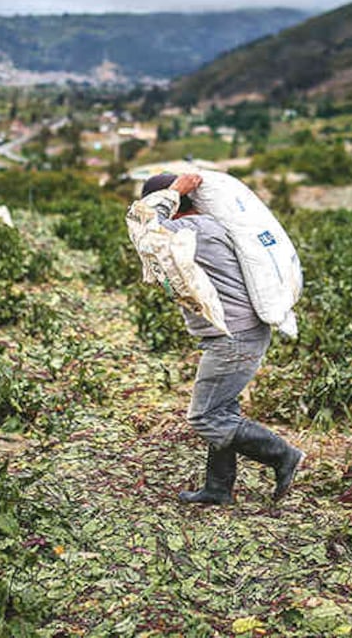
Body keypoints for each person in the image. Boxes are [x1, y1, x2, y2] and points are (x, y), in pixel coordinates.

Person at [133, 172, 305, 505]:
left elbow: (146, 227)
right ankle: (218, 488)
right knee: (222, 409)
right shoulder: (201, 227)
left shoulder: (191, 230)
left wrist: (173, 191)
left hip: (235, 339)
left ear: (175, 204)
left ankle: (284, 456)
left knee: (205, 417)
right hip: (238, 336)